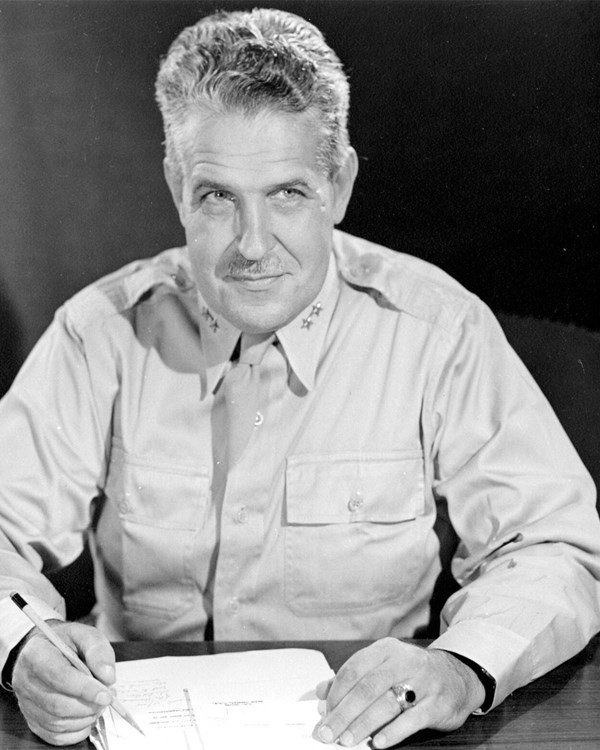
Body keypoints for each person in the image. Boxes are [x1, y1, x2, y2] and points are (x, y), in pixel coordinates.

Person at [0, 7, 599, 748]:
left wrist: (460, 666)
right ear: (175, 186)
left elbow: (551, 545)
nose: (252, 246)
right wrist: (23, 648)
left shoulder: (439, 331)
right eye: (217, 197)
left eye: (287, 193)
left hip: (367, 735)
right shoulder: (99, 335)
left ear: (339, 186)